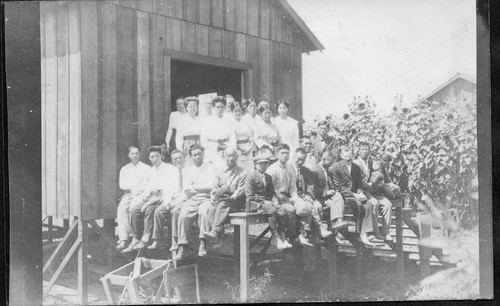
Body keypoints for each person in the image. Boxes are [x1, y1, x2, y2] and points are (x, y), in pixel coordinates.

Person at [124, 146, 179, 252]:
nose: (154, 159)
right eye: (152, 157)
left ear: (162, 156)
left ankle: (146, 237)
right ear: (149, 158)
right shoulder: (151, 170)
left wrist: (159, 199)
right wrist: (145, 196)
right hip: (152, 196)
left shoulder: (170, 168)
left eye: (156, 156)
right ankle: (135, 238)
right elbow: (149, 186)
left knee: (149, 209)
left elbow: (172, 187)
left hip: (165, 196)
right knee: (134, 210)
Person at [172, 144, 215, 260]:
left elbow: (211, 187)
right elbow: (187, 190)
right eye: (194, 155)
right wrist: (200, 188)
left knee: (205, 212)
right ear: (191, 157)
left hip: (206, 198)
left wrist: (195, 188)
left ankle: (203, 243)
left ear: (203, 154)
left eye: (199, 154)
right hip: (193, 198)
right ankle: (183, 246)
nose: (197, 157)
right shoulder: (188, 170)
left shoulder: (210, 167)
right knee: (183, 215)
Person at [241, 153, 293, 249]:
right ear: (256, 165)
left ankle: (282, 237)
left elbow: (272, 193)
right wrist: (265, 202)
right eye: (261, 164)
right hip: (254, 203)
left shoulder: (268, 177)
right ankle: (275, 237)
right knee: (272, 211)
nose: (264, 166)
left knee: (282, 211)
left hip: (268, 203)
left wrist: (275, 200)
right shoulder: (251, 176)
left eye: (266, 163)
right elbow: (249, 194)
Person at [266, 144, 312, 246]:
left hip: (288, 197)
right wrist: (282, 199)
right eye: (282, 153)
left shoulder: (290, 168)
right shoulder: (272, 169)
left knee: (307, 206)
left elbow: (292, 188)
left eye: (287, 153)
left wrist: (297, 200)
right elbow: (270, 190)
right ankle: (289, 236)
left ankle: (302, 233)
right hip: (276, 199)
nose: (285, 155)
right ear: (277, 154)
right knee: (291, 209)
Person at [202, 147, 247, 247]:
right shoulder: (219, 172)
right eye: (228, 156)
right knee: (212, 208)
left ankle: (215, 233)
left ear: (237, 157)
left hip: (236, 201)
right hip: (221, 199)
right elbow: (214, 187)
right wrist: (213, 198)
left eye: (233, 156)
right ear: (225, 157)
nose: (231, 158)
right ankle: (219, 238)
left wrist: (231, 197)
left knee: (223, 204)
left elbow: (240, 190)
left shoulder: (242, 172)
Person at [330, 147, 375, 245]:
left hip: (355, 194)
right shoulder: (336, 167)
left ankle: (365, 233)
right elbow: (339, 187)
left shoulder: (356, 167)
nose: (347, 159)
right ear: (342, 156)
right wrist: (354, 195)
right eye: (345, 156)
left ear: (353, 156)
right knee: (358, 204)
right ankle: (358, 233)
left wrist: (360, 192)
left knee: (368, 205)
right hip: (344, 195)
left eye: (349, 157)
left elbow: (359, 183)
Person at [355, 144, 394, 241]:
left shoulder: (373, 162)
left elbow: (384, 175)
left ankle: (386, 231)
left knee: (388, 205)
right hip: (364, 191)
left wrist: (386, 183)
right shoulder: (355, 163)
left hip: (376, 191)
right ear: (359, 151)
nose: (364, 151)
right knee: (374, 204)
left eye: (366, 149)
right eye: (362, 149)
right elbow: (355, 180)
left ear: (369, 151)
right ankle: (375, 231)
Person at [148, 149, 186, 249]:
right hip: (173, 199)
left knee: (175, 211)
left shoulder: (188, 170)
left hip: (185, 199)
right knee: (158, 211)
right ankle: (157, 239)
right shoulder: (172, 171)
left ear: (184, 158)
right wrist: (168, 201)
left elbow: (187, 192)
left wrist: (176, 202)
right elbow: (168, 189)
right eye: (174, 159)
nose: (177, 161)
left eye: (179, 158)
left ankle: (175, 240)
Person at [292, 148, 331, 243]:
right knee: (308, 207)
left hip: (304, 196)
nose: (300, 162)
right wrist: (301, 197)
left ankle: (314, 234)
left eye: (303, 159)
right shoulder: (289, 169)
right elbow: (289, 188)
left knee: (318, 206)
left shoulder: (305, 170)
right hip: (293, 197)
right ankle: (307, 232)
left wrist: (309, 195)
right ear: (294, 157)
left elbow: (310, 185)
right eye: (298, 159)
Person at [116, 146, 151, 251]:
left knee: (132, 209)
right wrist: (134, 187)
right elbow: (122, 185)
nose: (135, 155)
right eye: (132, 154)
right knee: (121, 209)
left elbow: (148, 184)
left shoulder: (146, 168)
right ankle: (123, 238)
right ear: (129, 155)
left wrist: (138, 189)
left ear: (140, 154)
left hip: (141, 194)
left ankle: (134, 237)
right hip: (129, 194)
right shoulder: (125, 169)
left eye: (136, 153)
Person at [311, 151, 347, 244]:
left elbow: (331, 184)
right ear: (323, 160)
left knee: (338, 196)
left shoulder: (328, 170)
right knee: (336, 201)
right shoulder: (314, 170)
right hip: (318, 198)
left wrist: (334, 191)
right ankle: (335, 230)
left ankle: (338, 222)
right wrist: (326, 193)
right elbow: (313, 188)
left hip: (326, 198)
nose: (331, 165)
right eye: (330, 162)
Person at [201, 96, 236, 167]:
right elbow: (203, 137)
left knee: (224, 167)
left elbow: (232, 136)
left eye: (222, 107)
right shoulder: (207, 120)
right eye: (217, 107)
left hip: (226, 146)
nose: (220, 109)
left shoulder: (229, 120)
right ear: (213, 107)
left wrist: (232, 148)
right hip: (211, 147)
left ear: (225, 107)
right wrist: (204, 150)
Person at [176, 97, 202, 166]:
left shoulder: (201, 119)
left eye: (195, 106)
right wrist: (180, 149)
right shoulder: (182, 121)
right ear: (186, 108)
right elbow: (178, 137)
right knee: (188, 164)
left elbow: (204, 134)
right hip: (187, 145)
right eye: (190, 106)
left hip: (199, 143)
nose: (193, 108)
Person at [230, 101, 255, 173]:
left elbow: (251, 137)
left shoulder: (246, 122)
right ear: (232, 112)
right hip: (238, 149)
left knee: (250, 170)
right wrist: (241, 149)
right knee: (240, 170)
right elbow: (232, 139)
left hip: (248, 148)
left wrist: (249, 148)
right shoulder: (231, 123)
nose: (238, 113)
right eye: (235, 111)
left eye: (239, 111)